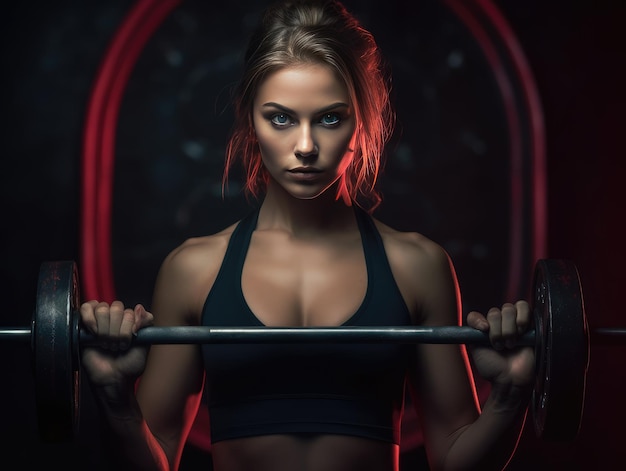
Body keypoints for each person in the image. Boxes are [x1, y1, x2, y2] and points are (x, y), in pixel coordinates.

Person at [79, 0, 535, 470]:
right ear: (250, 122)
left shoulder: (417, 267)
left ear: (363, 121)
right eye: (280, 118)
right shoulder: (194, 270)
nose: (305, 147)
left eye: (330, 118)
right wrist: (116, 401)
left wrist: (510, 395)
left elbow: (455, 458)